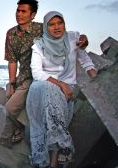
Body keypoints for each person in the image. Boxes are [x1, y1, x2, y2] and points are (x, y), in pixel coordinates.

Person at [0, 0, 89, 148]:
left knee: (10, 108)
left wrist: (83, 38)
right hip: (25, 77)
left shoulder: (43, 28)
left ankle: (29, 131)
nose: (19, 14)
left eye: (23, 11)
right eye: (18, 10)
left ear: (33, 14)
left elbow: (65, 36)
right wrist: (12, 82)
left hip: (41, 76)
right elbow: (12, 60)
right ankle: (23, 127)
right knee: (10, 100)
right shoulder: (11, 34)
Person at [26, 11, 96, 168]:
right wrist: (61, 84)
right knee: (45, 88)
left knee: (51, 102)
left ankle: (55, 159)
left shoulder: (73, 38)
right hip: (42, 87)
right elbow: (37, 73)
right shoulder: (38, 46)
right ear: (46, 27)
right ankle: (62, 146)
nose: (56, 27)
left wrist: (98, 81)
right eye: (51, 24)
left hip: (64, 91)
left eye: (60, 23)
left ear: (64, 23)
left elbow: (86, 62)